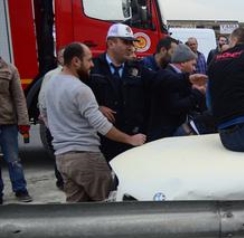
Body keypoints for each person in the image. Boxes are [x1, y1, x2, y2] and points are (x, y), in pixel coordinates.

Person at [44, 42, 146, 202]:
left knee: (79, 211)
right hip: (86, 157)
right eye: (89, 60)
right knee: (108, 205)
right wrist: (130, 139)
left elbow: (45, 116)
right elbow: (102, 125)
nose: (92, 64)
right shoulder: (81, 89)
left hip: (62, 159)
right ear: (76, 61)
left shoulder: (51, 84)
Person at [89, 23, 154, 162]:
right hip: (102, 141)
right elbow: (78, 98)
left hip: (133, 139)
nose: (130, 46)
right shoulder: (93, 67)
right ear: (111, 43)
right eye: (126, 42)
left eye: (132, 42)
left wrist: (186, 79)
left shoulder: (138, 68)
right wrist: (96, 107)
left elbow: (159, 83)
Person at [147, 44, 206, 141]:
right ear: (183, 63)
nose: (194, 69)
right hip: (165, 134)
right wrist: (197, 93)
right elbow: (176, 106)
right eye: (193, 64)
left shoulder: (173, 75)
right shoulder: (168, 76)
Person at [0, 56, 32, 204]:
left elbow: (19, 98)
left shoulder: (9, 70)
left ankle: (20, 189)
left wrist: (23, 121)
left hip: (7, 122)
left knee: (13, 160)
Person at [38, 47, 65, 190]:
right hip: (56, 122)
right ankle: (61, 180)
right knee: (59, 151)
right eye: (62, 56)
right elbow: (42, 101)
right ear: (58, 59)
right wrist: (48, 123)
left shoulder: (77, 74)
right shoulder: (52, 75)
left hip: (68, 122)